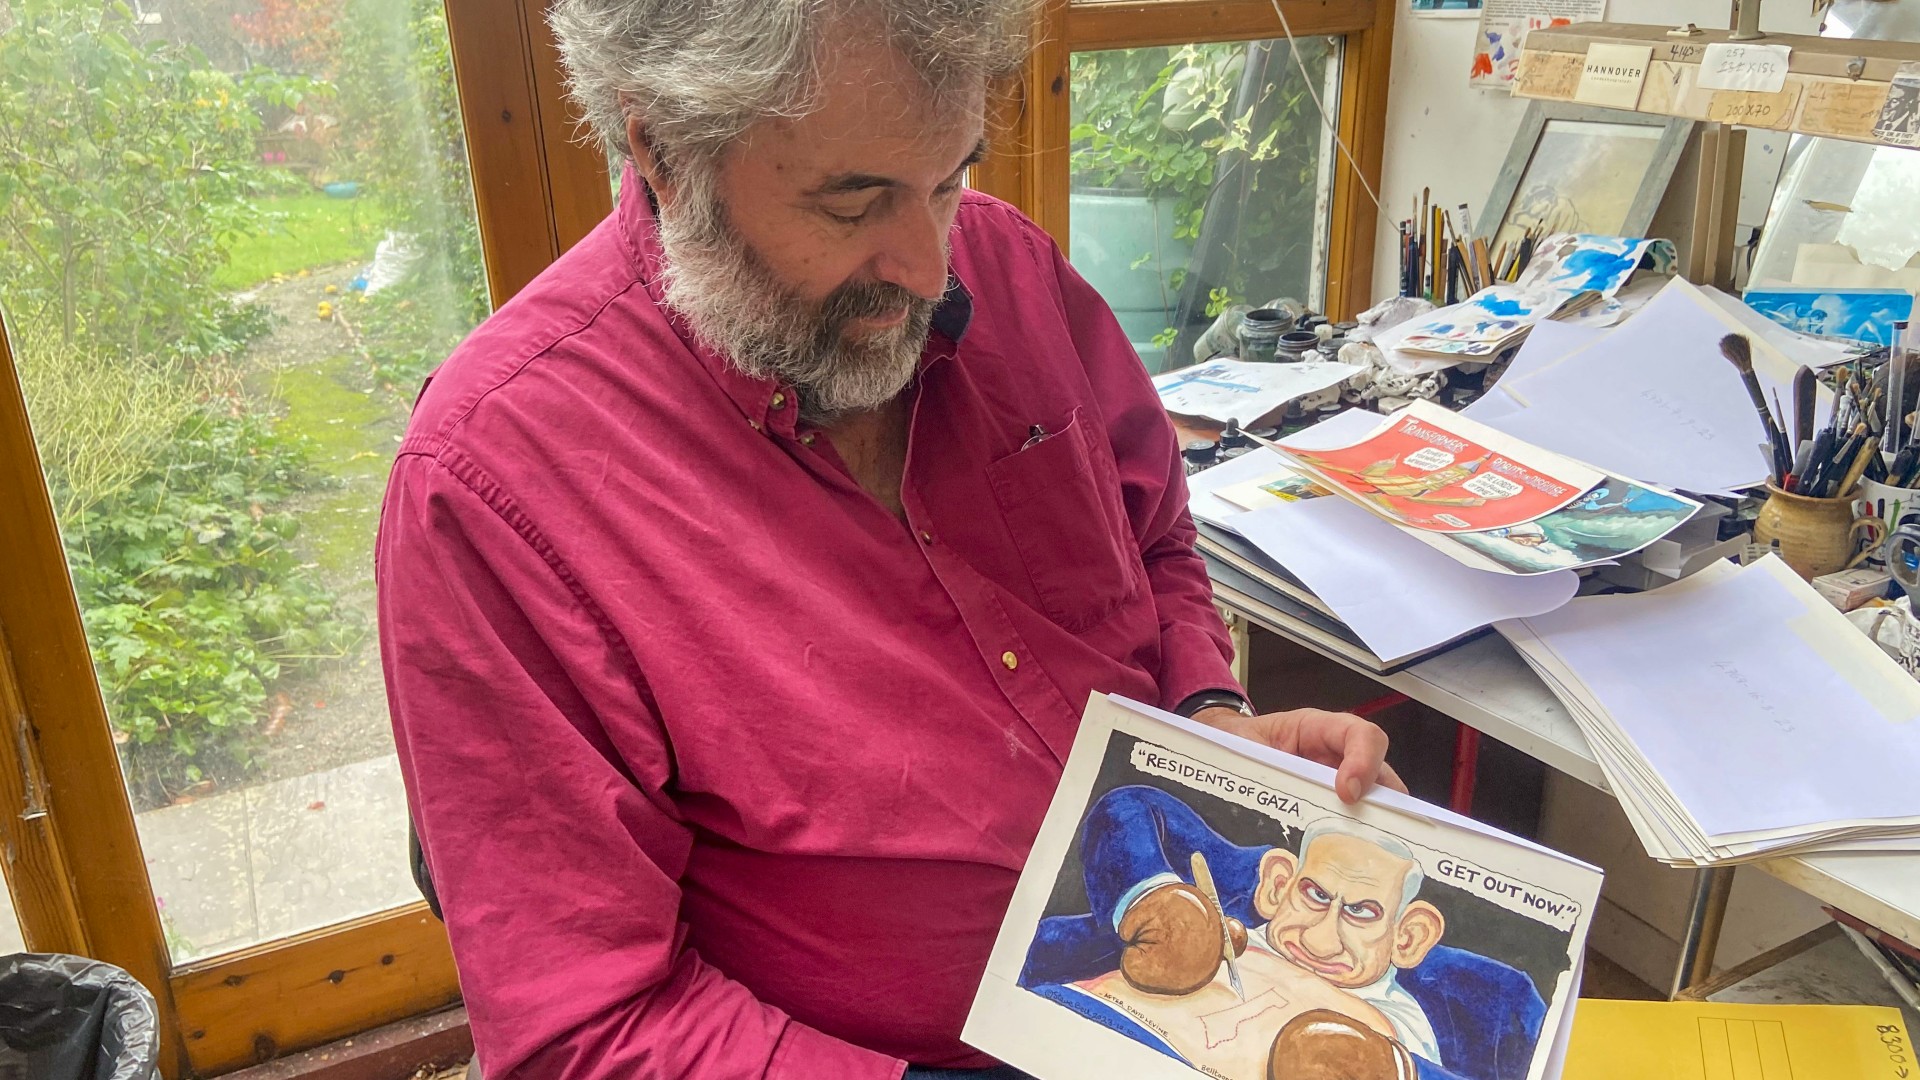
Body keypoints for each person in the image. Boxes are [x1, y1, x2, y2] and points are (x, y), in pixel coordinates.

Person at [374, 2, 1402, 1077]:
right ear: (664, 151)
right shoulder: (499, 480)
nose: (925, 266)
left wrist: (1209, 718)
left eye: (949, 179)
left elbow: (1154, 533)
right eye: (853, 201)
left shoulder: (1006, 266)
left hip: (1201, 957)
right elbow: (589, 1033)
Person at [1022, 787, 1546, 1080]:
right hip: (1082, 1035)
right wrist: (1151, 900)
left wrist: (1385, 1069)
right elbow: (1128, 808)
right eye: (1314, 895)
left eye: (1361, 913)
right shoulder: (1233, 917)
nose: (1320, 940)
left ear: (1407, 936)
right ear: (1278, 884)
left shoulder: (1419, 1018)